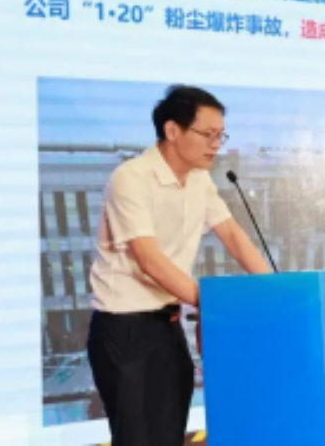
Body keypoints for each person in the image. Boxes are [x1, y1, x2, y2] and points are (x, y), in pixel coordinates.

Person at [87, 85, 271, 446]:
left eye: (221, 135)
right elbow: (149, 259)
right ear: (172, 130)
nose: (216, 144)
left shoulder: (200, 180)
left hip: (168, 326)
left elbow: (232, 235)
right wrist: (215, 304)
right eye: (208, 134)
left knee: (170, 437)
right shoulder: (131, 178)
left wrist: (275, 292)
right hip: (124, 330)